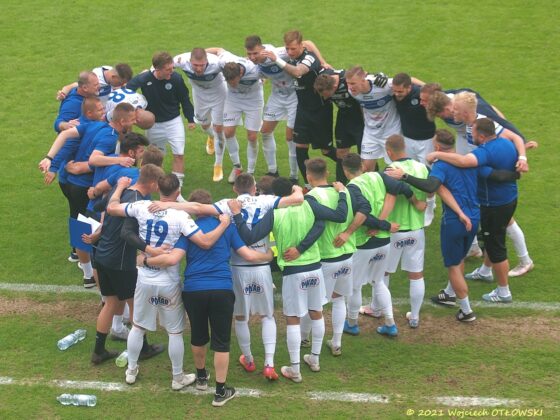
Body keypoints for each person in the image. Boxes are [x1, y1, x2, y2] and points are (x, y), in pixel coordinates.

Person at [144, 189, 273, 407]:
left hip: (193, 289)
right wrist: (268, 255)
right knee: (221, 341)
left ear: (195, 210)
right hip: (221, 289)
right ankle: (221, 391)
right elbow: (249, 255)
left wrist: (145, 260)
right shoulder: (228, 227)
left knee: (198, 335)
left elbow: (173, 258)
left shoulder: (188, 229)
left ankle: (202, 377)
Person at [107, 174, 228, 390]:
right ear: (177, 192)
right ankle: (177, 377)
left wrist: (119, 187)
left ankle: (131, 370)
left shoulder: (141, 206)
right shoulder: (181, 216)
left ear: (157, 188)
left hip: (144, 277)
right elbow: (205, 242)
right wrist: (224, 224)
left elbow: (112, 208)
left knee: (137, 326)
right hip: (168, 281)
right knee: (174, 332)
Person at [228, 177, 332, 383]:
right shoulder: (308, 204)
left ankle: (256, 361)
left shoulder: (271, 211)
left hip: (255, 269)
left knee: (246, 317)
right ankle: (302, 360)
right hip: (311, 266)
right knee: (312, 312)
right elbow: (330, 219)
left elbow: (250, 235)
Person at [387, 129, 479, 321]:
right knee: (458, 259)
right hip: (474, 217)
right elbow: (440, 191)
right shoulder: (468, 162)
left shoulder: (440, 167)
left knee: (453, 265)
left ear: (436, 146)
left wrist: (404, 177)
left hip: (454, 222)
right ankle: (448, 294)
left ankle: (466, 310)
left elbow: (432, 187)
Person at [427, 119, 522, 303]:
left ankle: (503, 292)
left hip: (494, 204)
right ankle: (484, 272)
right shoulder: (506, 143)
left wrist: (436, 154)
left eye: (473, 132)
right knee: (491, 239)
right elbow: (499, 174)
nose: (471, 136)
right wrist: (516, 174)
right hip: (509, 198)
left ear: (482, 136)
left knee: (496, 246)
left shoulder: (484, 152)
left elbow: (464, 161)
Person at [90, 164, 165, 364]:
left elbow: (100, 206)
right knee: (135, 305)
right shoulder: (139, 203)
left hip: (102, 256)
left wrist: (119, 187)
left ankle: (98, 351)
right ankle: (143, 349)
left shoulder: (119, 189)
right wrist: (149, 250)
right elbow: (128, 234)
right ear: (152, 183)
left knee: (110, 303)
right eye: (158, 184)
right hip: (121, 262)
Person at [335, 154, 403, 337]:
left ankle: (351, 323)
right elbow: (400, 188)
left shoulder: (352, 187)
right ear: (363, 165)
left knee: (355, 285)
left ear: (345, 170)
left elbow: (363, 215)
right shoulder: (377, 176)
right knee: (378, 281)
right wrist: (384, 225)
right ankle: (390, 324)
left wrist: (382, 225)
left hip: (364, 243)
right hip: (383, 241)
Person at [245, 35, 329, 182]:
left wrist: (323, 62)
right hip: (277, 96)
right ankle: (273, 171)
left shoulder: (279, 52)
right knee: (265, 131)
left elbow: (308, 43)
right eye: (249, 54)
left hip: (294, 96)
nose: (252, 57)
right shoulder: (252, 62)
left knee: (290, 137)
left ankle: (293, 176)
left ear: (262, 49)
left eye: (255, 53)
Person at [301, 159, 354, 356]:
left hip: (325, 257)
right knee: (339, 299)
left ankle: (304, 337)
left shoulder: (311, 198)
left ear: (308, 177)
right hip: (346, 255)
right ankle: (337, 342)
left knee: (313, 303)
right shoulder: (343, 192)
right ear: (328, 173)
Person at [126, 52, 196, 193]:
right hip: (153, 125)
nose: (172, 71)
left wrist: (190, 119)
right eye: (168, 69)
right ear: (157, 69)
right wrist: (136, 109)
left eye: (172, 68)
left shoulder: (176, 79)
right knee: (155, 157)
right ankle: (155, 185)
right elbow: (127, 90)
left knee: (179, 154)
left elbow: (184, 99)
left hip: (174, 122)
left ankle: (176, 189)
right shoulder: (144, 78)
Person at [383, 135, 428, 328]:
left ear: (389, 152)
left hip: (394, 230)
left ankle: (380, 311)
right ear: (405, 148)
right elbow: (430, 191)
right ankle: (415, 317)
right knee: (416, 274)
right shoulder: (422, 167)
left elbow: (387, 197)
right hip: (416, 230)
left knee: (383, 273)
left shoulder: (390, 170)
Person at [205, 47, 264, 182]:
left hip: (253, 101)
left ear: (240, 74)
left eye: (234, 81)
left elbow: (269, 70)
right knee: (228, 132)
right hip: (233, 100)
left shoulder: (254, 70)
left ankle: (250, 172)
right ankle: (237, 166)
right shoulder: (224, 61)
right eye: (228, 81)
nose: (232, 84)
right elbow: (218, 49)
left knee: (252, 136)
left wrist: (263, 79)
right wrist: (201, 53)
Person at [173, 48, 228, 180]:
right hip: (199, 96)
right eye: (195, 65)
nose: (198, 69)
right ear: (190, 61)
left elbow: (238, 67)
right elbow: (163, 65)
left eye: (202, 65)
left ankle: (218, 164)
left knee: (219, 129)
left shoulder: (217, 63)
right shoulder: (181, 60)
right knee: (204, 125)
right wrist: (149, 72)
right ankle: (211, 136)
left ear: (207, 60)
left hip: (219, 94)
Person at [345, 66, 400, 171]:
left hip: (391, 131)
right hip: (370, 133)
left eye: (353, 83)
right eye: (348, 83)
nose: (350, 87)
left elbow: (408, 80)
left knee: (395, 168)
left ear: (363, 80)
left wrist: (428, 88)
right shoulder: (353, 92)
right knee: (367, 169)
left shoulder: (384, 85)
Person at [313, 70, 364, 183]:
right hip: (343, 118)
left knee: (365, 154)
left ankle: (370, 181)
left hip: (360, 119)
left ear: (334, 87)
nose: (323, 97)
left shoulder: (348, 81)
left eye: (325, 94)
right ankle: (341, 184)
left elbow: (363, 75)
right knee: (341, 152)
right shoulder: (325, 76)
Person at [57, 64, 133, 104]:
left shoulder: (109, 70)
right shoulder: (96, 80)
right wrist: (64, 92)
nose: (122, 85)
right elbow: (77, 85)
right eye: (120, 83)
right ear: (114, 77)